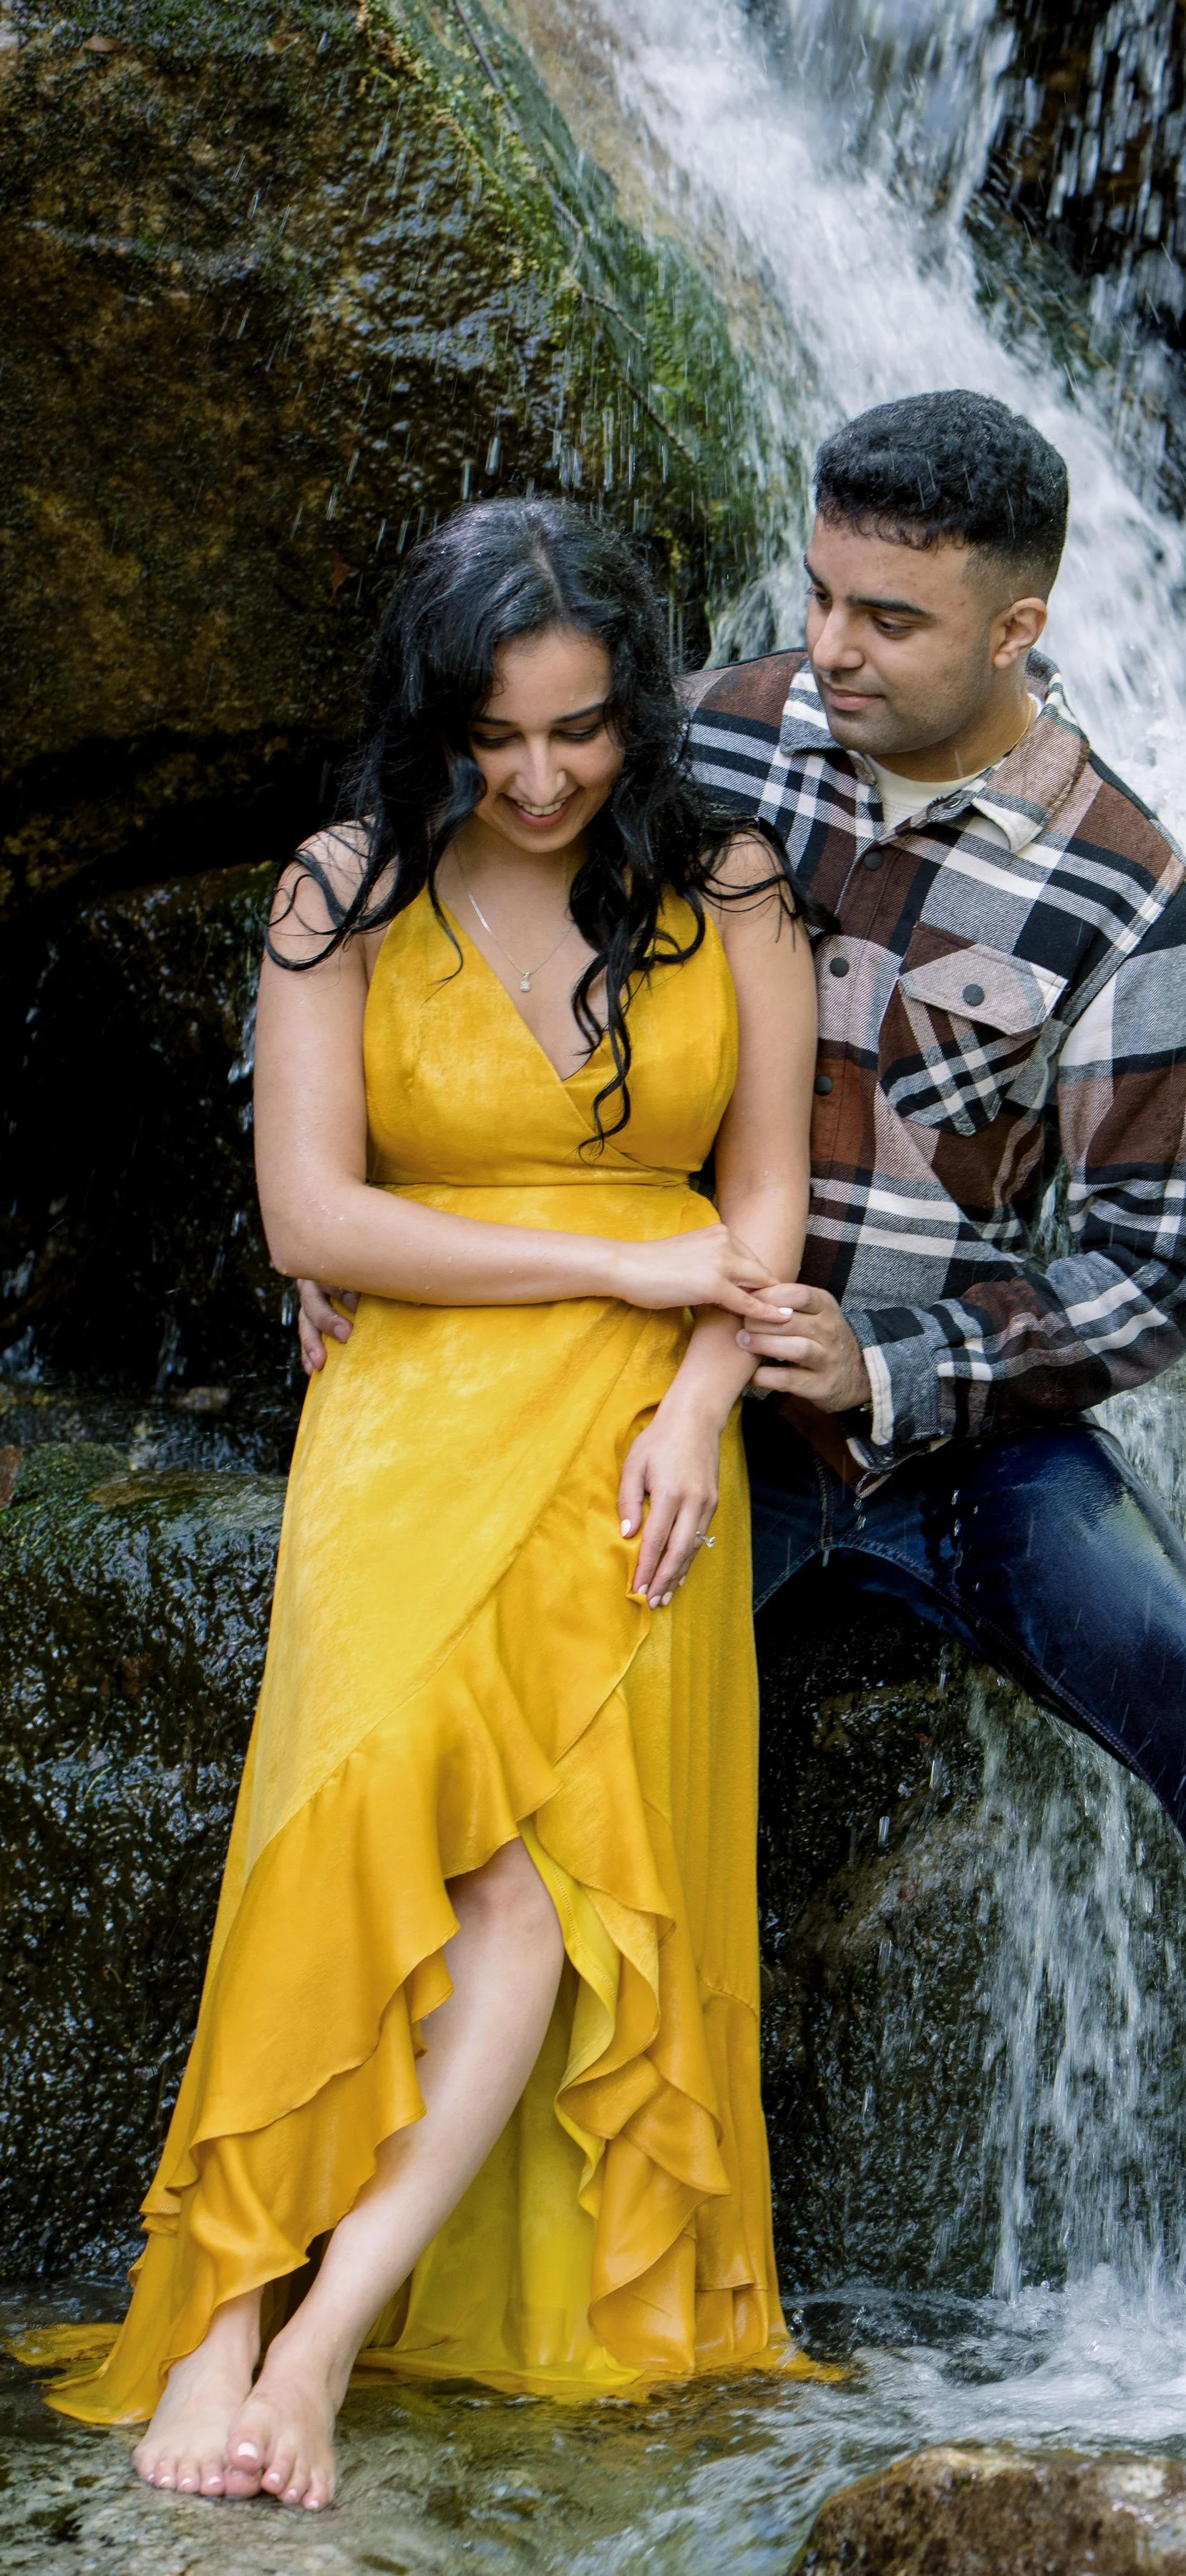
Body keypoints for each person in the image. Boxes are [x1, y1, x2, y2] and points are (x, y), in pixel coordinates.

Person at [301, 394, 1186, 2394]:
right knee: (478, 1745)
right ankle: (328, 2270)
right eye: (823, 596)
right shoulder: (719, 736)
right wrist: (315, 1234)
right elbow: (419, 933)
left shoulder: (1119, 888)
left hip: (964, 1443)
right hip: (669, 1394)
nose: (831, 653)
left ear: (1018, 627)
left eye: (893, 622)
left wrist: (899, 1361)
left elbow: (1152, 1269)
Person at [50, 502, 818, 2507]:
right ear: (435, 720)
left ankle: (307, 2345)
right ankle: (213, 2312)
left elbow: (760, 1206)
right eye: (502, 739)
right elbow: (313, 1213)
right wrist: (618, 1267)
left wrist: (699, 1385)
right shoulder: (342, 886)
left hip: (646, 1416)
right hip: (414, 1398)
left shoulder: (724, 874)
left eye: (580, 731)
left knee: (541, 1878)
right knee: (353, 1806)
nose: (546, 778)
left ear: (633, 715)